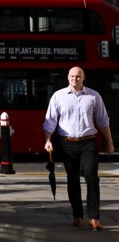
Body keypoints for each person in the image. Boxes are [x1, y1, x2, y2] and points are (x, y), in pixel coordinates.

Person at [43, 66, 114, 231]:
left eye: (78, 76)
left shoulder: (93, 96)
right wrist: (47, 140)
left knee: (91, 177)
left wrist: (109, 142)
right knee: (72, 179)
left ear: (83, 78)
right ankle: (78, 215)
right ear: (68, 78)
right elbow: (50, 121)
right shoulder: (58, 96)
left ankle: (94, 217)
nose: (75, 79)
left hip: (88, 142)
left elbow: (103, 121)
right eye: (72, 76)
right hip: (67, 144)